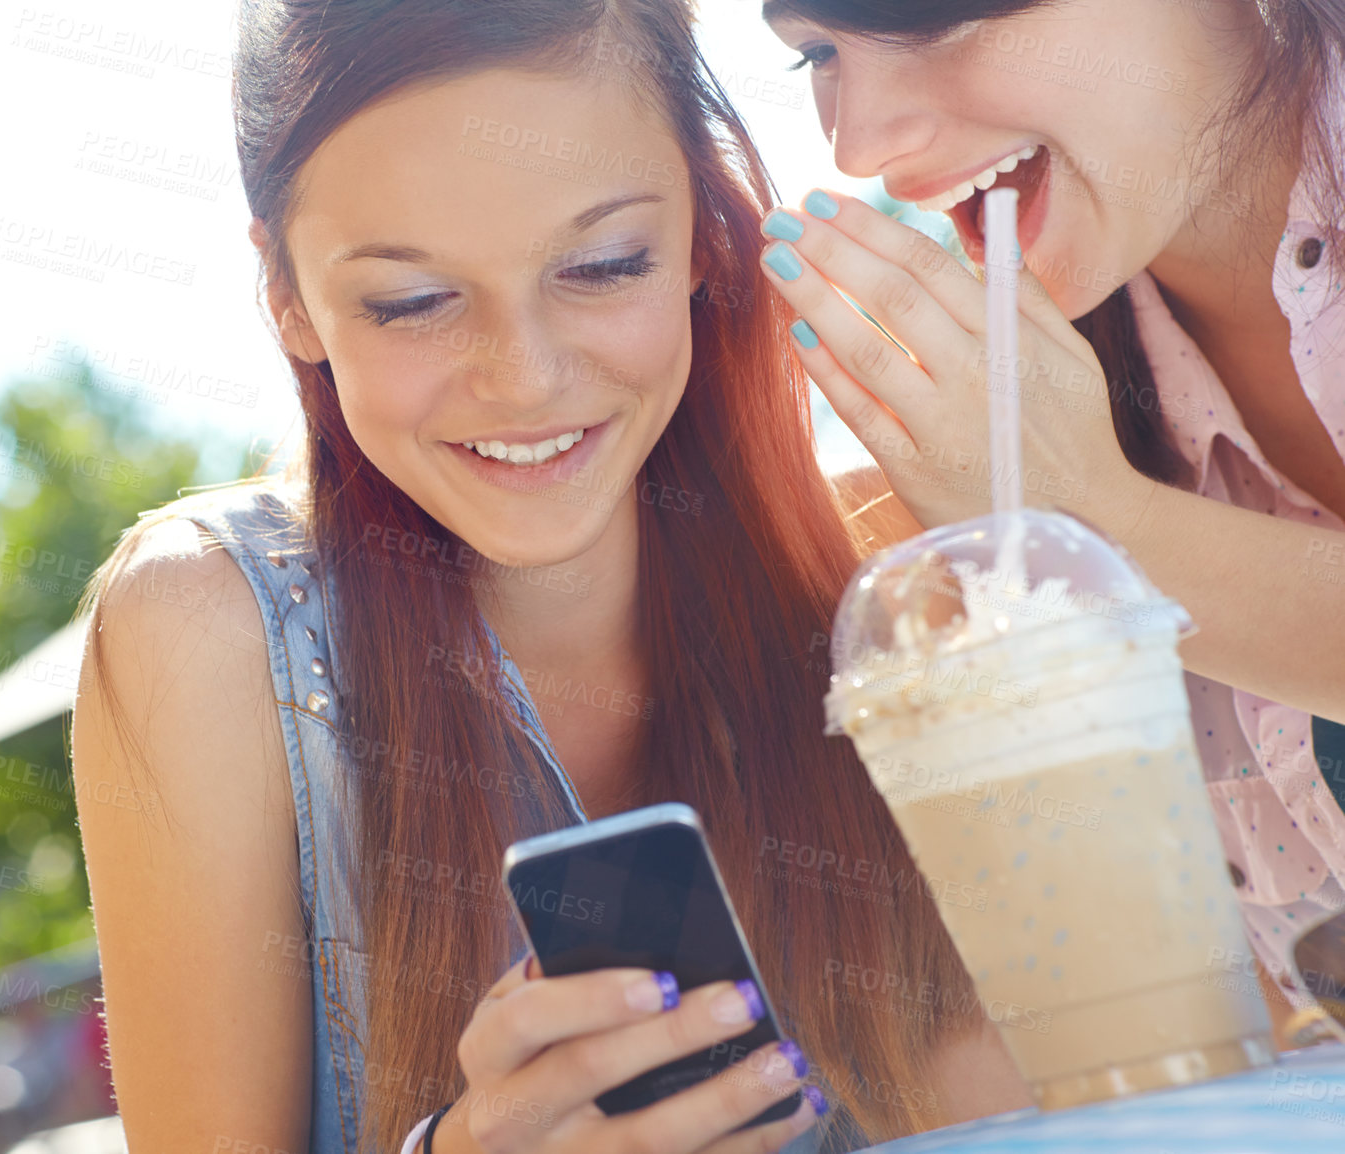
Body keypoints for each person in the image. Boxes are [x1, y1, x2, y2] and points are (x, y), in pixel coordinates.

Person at [71, 2, 1028, 1153]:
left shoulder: (899, 574)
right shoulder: (205, 630)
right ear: (286, 295)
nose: (522, 377)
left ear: (704, 237)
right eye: (413, 300)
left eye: (600, 264)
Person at [753, 0, 1345, 1029]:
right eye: (819, 54)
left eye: (925, 17)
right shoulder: (1038, 402)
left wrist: (1097, 516)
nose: (858, 143)